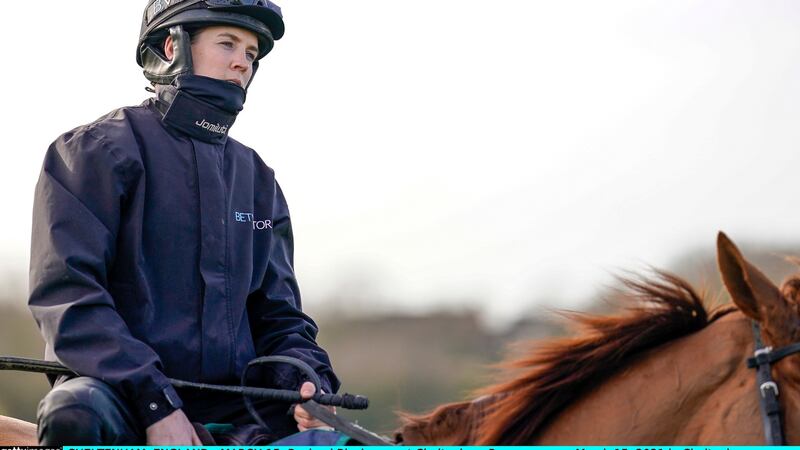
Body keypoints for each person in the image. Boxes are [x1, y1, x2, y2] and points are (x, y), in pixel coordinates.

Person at [28, 0, 339, 445]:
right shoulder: (94, 151)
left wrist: (308, 384)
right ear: (173, 46)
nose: (242, 63)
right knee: (72, 411)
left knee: (338, 440)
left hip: (241, 409)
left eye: (251, 54)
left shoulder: (258, 181)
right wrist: (156, 404)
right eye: (227, 43)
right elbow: (69, 298)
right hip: (119, 396)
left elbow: (281, 318)